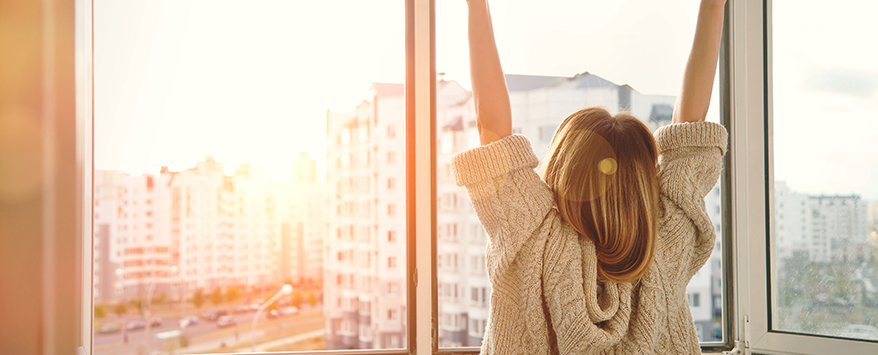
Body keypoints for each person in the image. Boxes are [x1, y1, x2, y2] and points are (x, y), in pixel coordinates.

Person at [452, 0, 729, 354]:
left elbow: (490, 126)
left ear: (563, 168)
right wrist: (714, 6)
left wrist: (477, 7)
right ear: (643, 181)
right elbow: (690, 128)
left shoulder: (533, 232)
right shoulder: (666, 244)